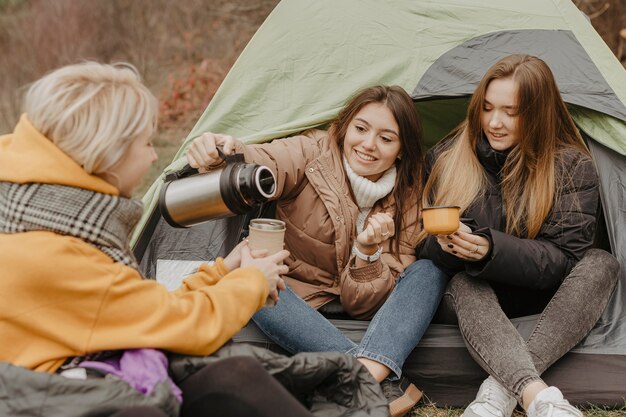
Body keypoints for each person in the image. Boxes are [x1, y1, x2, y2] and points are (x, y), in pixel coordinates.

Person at [0, 61, 337, 417]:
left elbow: (133, 309)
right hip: (41, 398)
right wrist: (252, 280)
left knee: (235, 376)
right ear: (108, 153)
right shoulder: (56, 251)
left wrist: (224, 271)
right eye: (146, 142)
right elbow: (181, 327)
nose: (153, 155)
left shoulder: (40, 210)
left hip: (73, 373)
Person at [187, 85, 448, 417]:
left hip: (373, 310)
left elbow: (363, 304)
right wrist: (228, 151)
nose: (368, 145)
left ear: (400, 150)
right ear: (343, 127)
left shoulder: (410, 194)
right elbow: (265, 160)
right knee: (253, 278)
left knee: (430, 271)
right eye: (361, 128)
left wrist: (368, 253)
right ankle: (371, 377)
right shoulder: (312, 153)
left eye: (386, 138)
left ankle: (354, 379)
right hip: (298, 300)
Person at [419, 54, 618, 417]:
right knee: (464, 283)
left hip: (546, 299)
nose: (494, 122)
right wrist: (450, 247)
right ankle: (536, 394)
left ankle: (500, 389)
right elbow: (419, 250)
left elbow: (564, 260)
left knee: (600, 263)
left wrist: (489, 249)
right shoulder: (447, 158)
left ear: (539, 114)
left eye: (511, 112)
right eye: (487, 108)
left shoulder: (572, 166)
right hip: (474, 303)